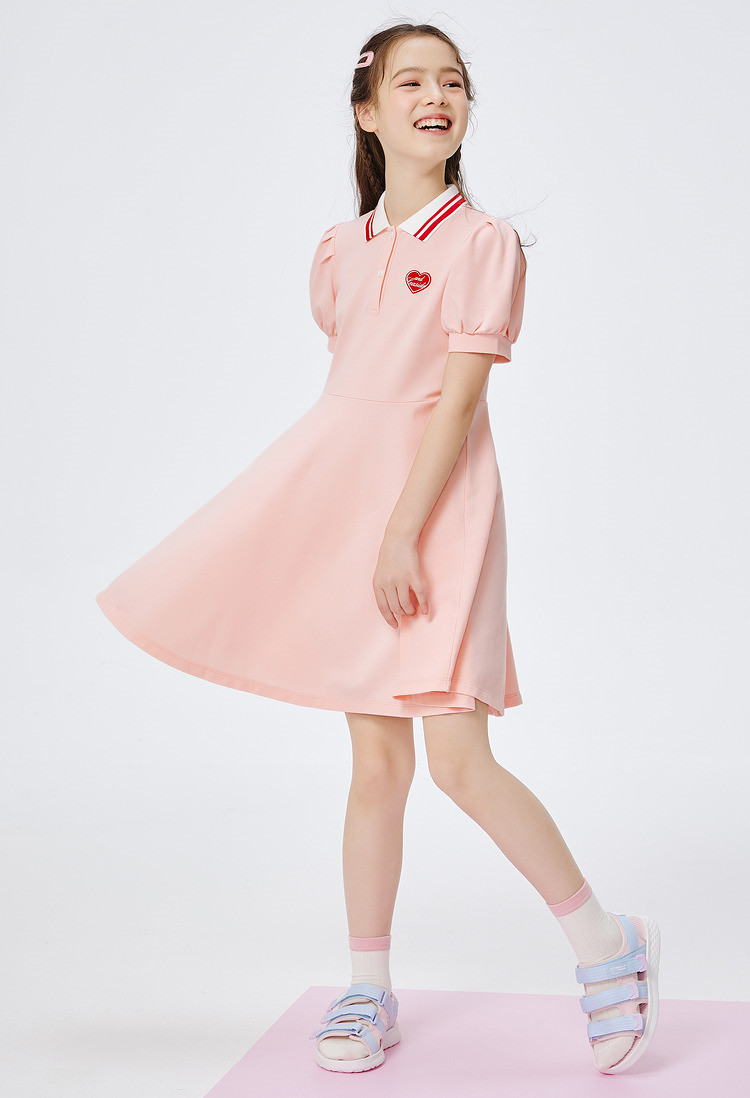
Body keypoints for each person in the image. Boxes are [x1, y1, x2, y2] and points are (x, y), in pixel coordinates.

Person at [94, 20, 660, 1079]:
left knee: (458, 760)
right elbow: (353, 397)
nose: (436, 96)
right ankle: (368, 986)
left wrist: (404, 532)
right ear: (367, 111)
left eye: (453, 81)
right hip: (354, 517)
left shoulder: (482, 244)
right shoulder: (339, 252)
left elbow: (454, 403)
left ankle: (606, 942)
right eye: (411, 82)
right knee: (375, 765)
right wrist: (362, 530)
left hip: (439, 515)